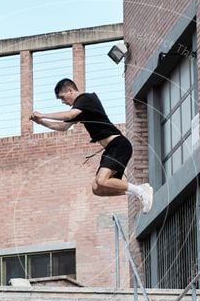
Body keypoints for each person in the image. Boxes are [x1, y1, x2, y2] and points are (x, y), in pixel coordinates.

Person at [30, 78, 153, 213]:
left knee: (101, 180)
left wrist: (43, 114)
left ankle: (141, 191)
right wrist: (41, 122)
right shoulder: (82, 109)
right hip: (111, 149)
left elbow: (70, 114)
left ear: (70, 90)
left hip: (118, 145)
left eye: (63, 98)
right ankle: (137, 191)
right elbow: (63, 126)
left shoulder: (86, 98)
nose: (63, 102)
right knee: (97, 189)